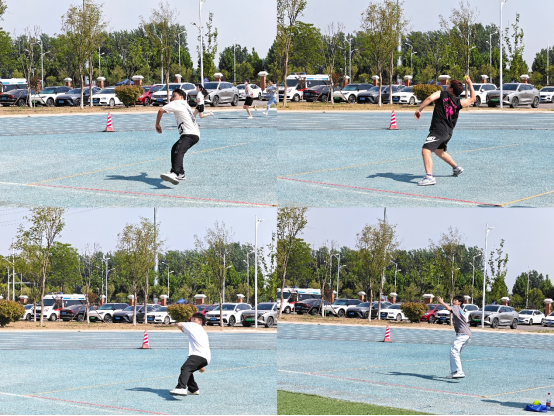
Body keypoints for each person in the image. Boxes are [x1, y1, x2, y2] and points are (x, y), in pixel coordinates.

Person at [414, 76, 476, 186]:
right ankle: (456, 168)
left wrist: (419, 109)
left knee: (426, 150)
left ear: (451, 89)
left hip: (438, 130)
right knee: (439, 151)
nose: (447, 86)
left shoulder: (442, 93)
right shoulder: (458, 102)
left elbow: (429, 98)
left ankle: (429, 177)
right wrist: (470, 84)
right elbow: (472, 99)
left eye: (449, 85)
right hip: (448, 133)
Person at [155, 89, 200, 185]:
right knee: (175, 148)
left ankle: (175, 173)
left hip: (189, 134)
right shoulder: (186, 105)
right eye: (171, 96)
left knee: (178, 151)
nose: (172, 98)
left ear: (181, 97)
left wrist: (157, 124)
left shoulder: (178, 103)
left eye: (174, 95)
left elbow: (161, 110)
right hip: (194, 134)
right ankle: (180, 173)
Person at [170, 312, 211, 396]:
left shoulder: (194, 326)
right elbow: (183, 330)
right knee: (189, 370)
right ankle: (193, 389)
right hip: (204, 357)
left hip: (198, 355)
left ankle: (181, 388)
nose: (192, 320)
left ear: (200, 321)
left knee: (185, 368)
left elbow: (178, 324)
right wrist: (202, 365)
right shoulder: (201, 331)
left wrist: (179, 324)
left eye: (194, 319)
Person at [437, 296, 471, 379]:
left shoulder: (456, 307)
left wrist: (441, 302)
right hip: (466, 334)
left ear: (459, 302)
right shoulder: (461, 310)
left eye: (455, 300)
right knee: (455, 353)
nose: (454, 301)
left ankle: (459, 371)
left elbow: (449, 309)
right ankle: (454, 372)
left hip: (463, 334)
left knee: (454, 351)